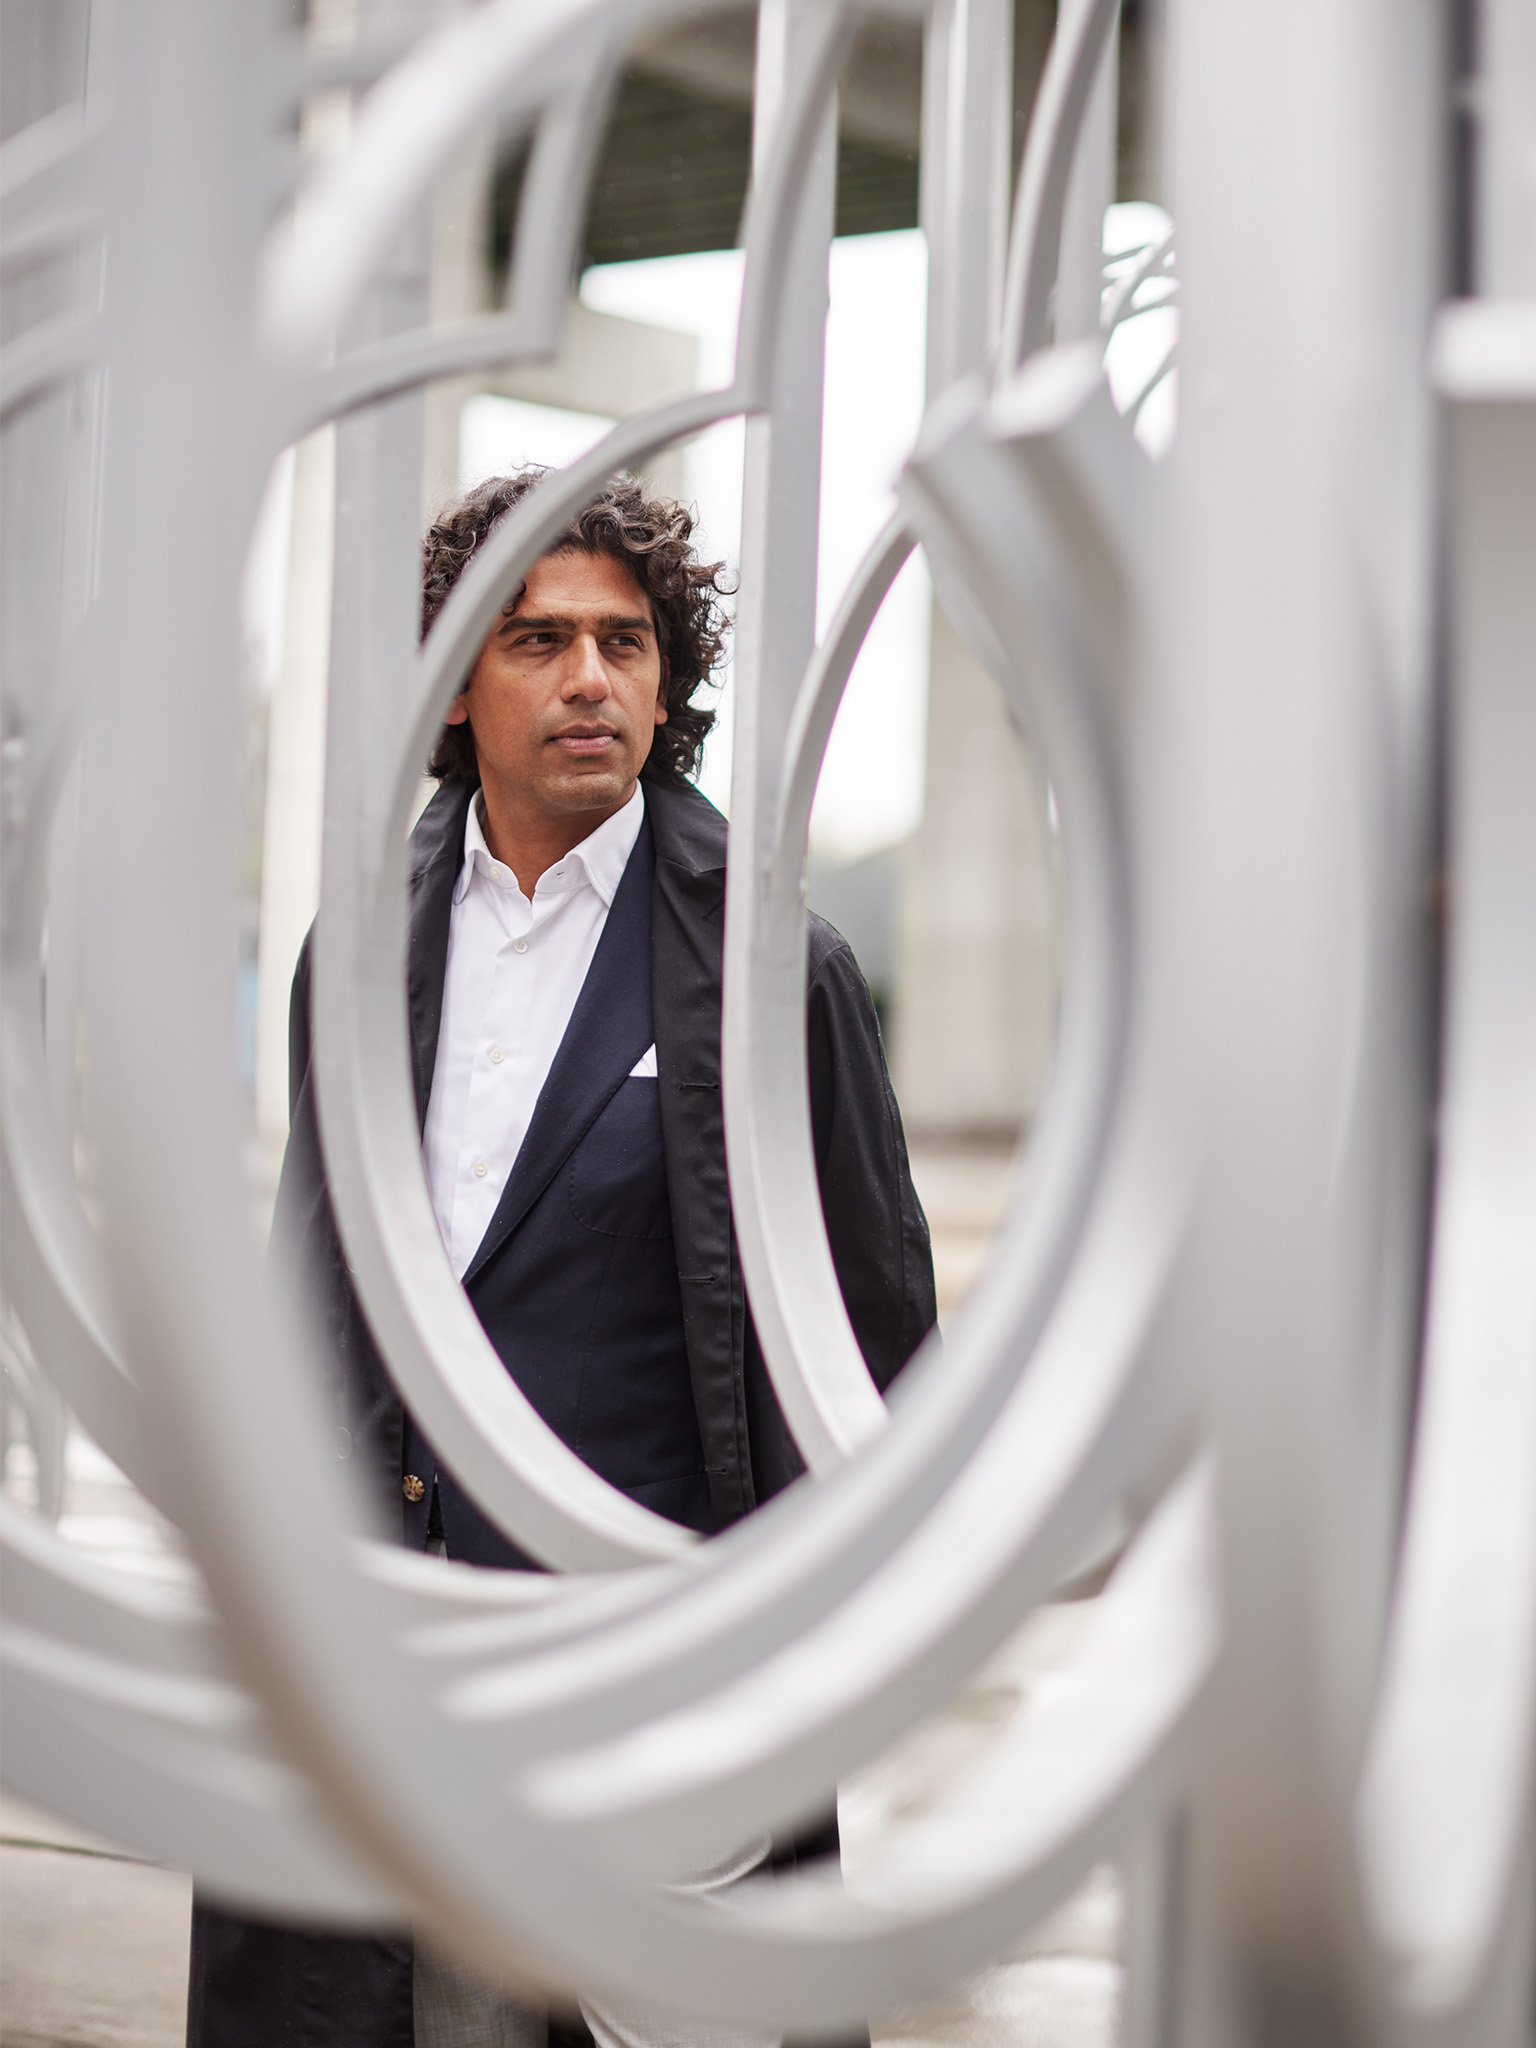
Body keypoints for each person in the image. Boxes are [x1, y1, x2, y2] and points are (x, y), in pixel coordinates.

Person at [187, 469, 936, 2048]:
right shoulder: (362, 939)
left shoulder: (772, 963)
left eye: (626, 642)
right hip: (400, 1676)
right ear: (457, 683)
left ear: (670, 684)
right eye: (535, 640)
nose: (590, 679)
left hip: (659, 1696)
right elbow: (312, 1299)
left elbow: (872, 1339)